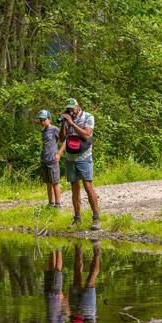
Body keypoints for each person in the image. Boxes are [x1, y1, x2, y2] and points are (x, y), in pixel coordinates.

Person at [58, 98, 101, 230]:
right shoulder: (67, 119)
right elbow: (61, 139)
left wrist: (72, 123)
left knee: (88, 186)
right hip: (70, 158)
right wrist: (64, 124)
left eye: (73, 108)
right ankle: (77, 218)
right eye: (69, 109)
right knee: (74, 188)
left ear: (78, 107)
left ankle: (96, 218)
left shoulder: (88, 117)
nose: (71, 111)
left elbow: (87, 135)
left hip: (84, 157)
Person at [64, 241, 101, 323]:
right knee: (90, 281)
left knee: (76, 277)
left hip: (75, 311)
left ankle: (78, 249)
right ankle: (96, 252)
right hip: (87, 314)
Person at [38, 110, 66, 208]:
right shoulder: (43, 131)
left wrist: (58, 154)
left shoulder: (54, 129)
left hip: (52, 160)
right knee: (48, 183)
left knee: (55, 182)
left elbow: (64, 141)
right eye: (40, 120)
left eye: (44, 120)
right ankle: (50, 203)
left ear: (49, 119)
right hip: (44, 159)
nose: (42, 122)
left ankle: (58, 203)